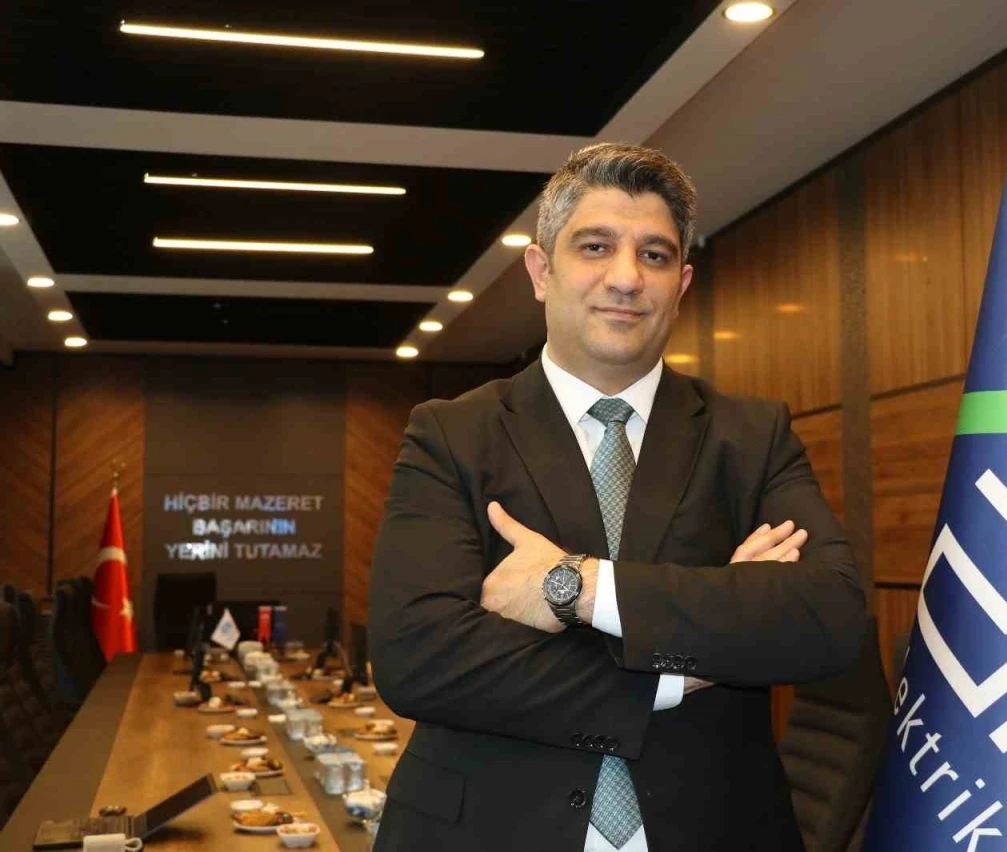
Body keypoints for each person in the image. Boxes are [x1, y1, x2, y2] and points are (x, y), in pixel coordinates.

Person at [369, 142, 866, 852]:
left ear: (681, 283)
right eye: (595, 247)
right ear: (541, 271)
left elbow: (829, 617)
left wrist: (577, 587)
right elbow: (420, 658)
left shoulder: (751, 436)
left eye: (655, 255)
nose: (627, 278)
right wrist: (683, 665)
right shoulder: (452, 434)